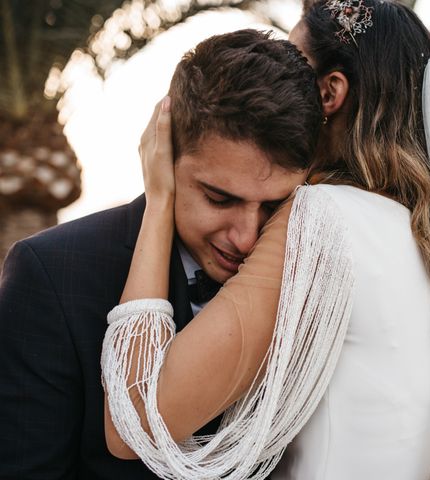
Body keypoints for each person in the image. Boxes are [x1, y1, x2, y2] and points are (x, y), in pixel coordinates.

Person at [102, 1, 430, 479]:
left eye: (295, 65)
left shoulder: (323, 220)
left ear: (328, 93)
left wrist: (158, 199)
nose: (279, 77)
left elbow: (137, 422)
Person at [0, 30, 321, 479]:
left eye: (272, 205)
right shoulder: (52, 274)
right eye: (219, 198)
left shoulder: (316, 274)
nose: (248, 238)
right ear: (164, 155)